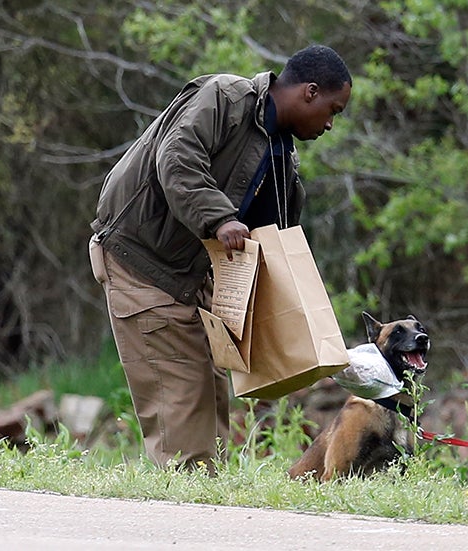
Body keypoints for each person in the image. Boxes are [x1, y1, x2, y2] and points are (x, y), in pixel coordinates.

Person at [87, 45, 352, 472]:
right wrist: (221, 219)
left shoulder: (280, 153)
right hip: (141, 264)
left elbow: (273, 246)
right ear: (309, 91)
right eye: (332, 109)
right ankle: (182, 519)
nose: (330, 124)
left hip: (190, 276)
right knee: (182, 413)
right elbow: (176, 159)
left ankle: (201, 509)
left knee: (209, 404)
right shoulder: (224, 98)